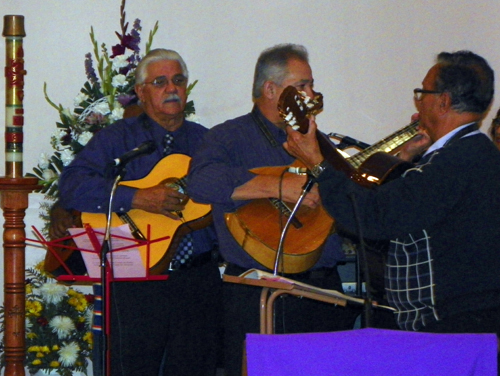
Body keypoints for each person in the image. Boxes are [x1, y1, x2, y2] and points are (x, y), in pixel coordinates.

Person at [284, 50, 500, 339]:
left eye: (422, 93)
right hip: (460, 321)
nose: (418, 102)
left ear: (443, 102)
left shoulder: (456, 160)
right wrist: (406, 158)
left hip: (452, 326)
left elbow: (375, 217)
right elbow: (408, 213)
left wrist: (318, 164)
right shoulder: (468, 154)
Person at [188, 43, 361, 376]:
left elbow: (352, 197)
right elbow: (201, 183)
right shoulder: (228, 136)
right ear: (270, 89)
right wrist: (278, 185)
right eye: (301, 86)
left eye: (311, 85)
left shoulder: (319, 142)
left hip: (323, 289)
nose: (312, 94)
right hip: (259, 293)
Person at [56, 48, 221, 376]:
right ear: (142, 92)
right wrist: (136, 198)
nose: (171, 88)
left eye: (178, 80)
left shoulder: (209, 142)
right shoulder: (117, 138)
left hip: (197, 280)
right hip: (136, 280)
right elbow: (72, 185)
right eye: (159, 82)